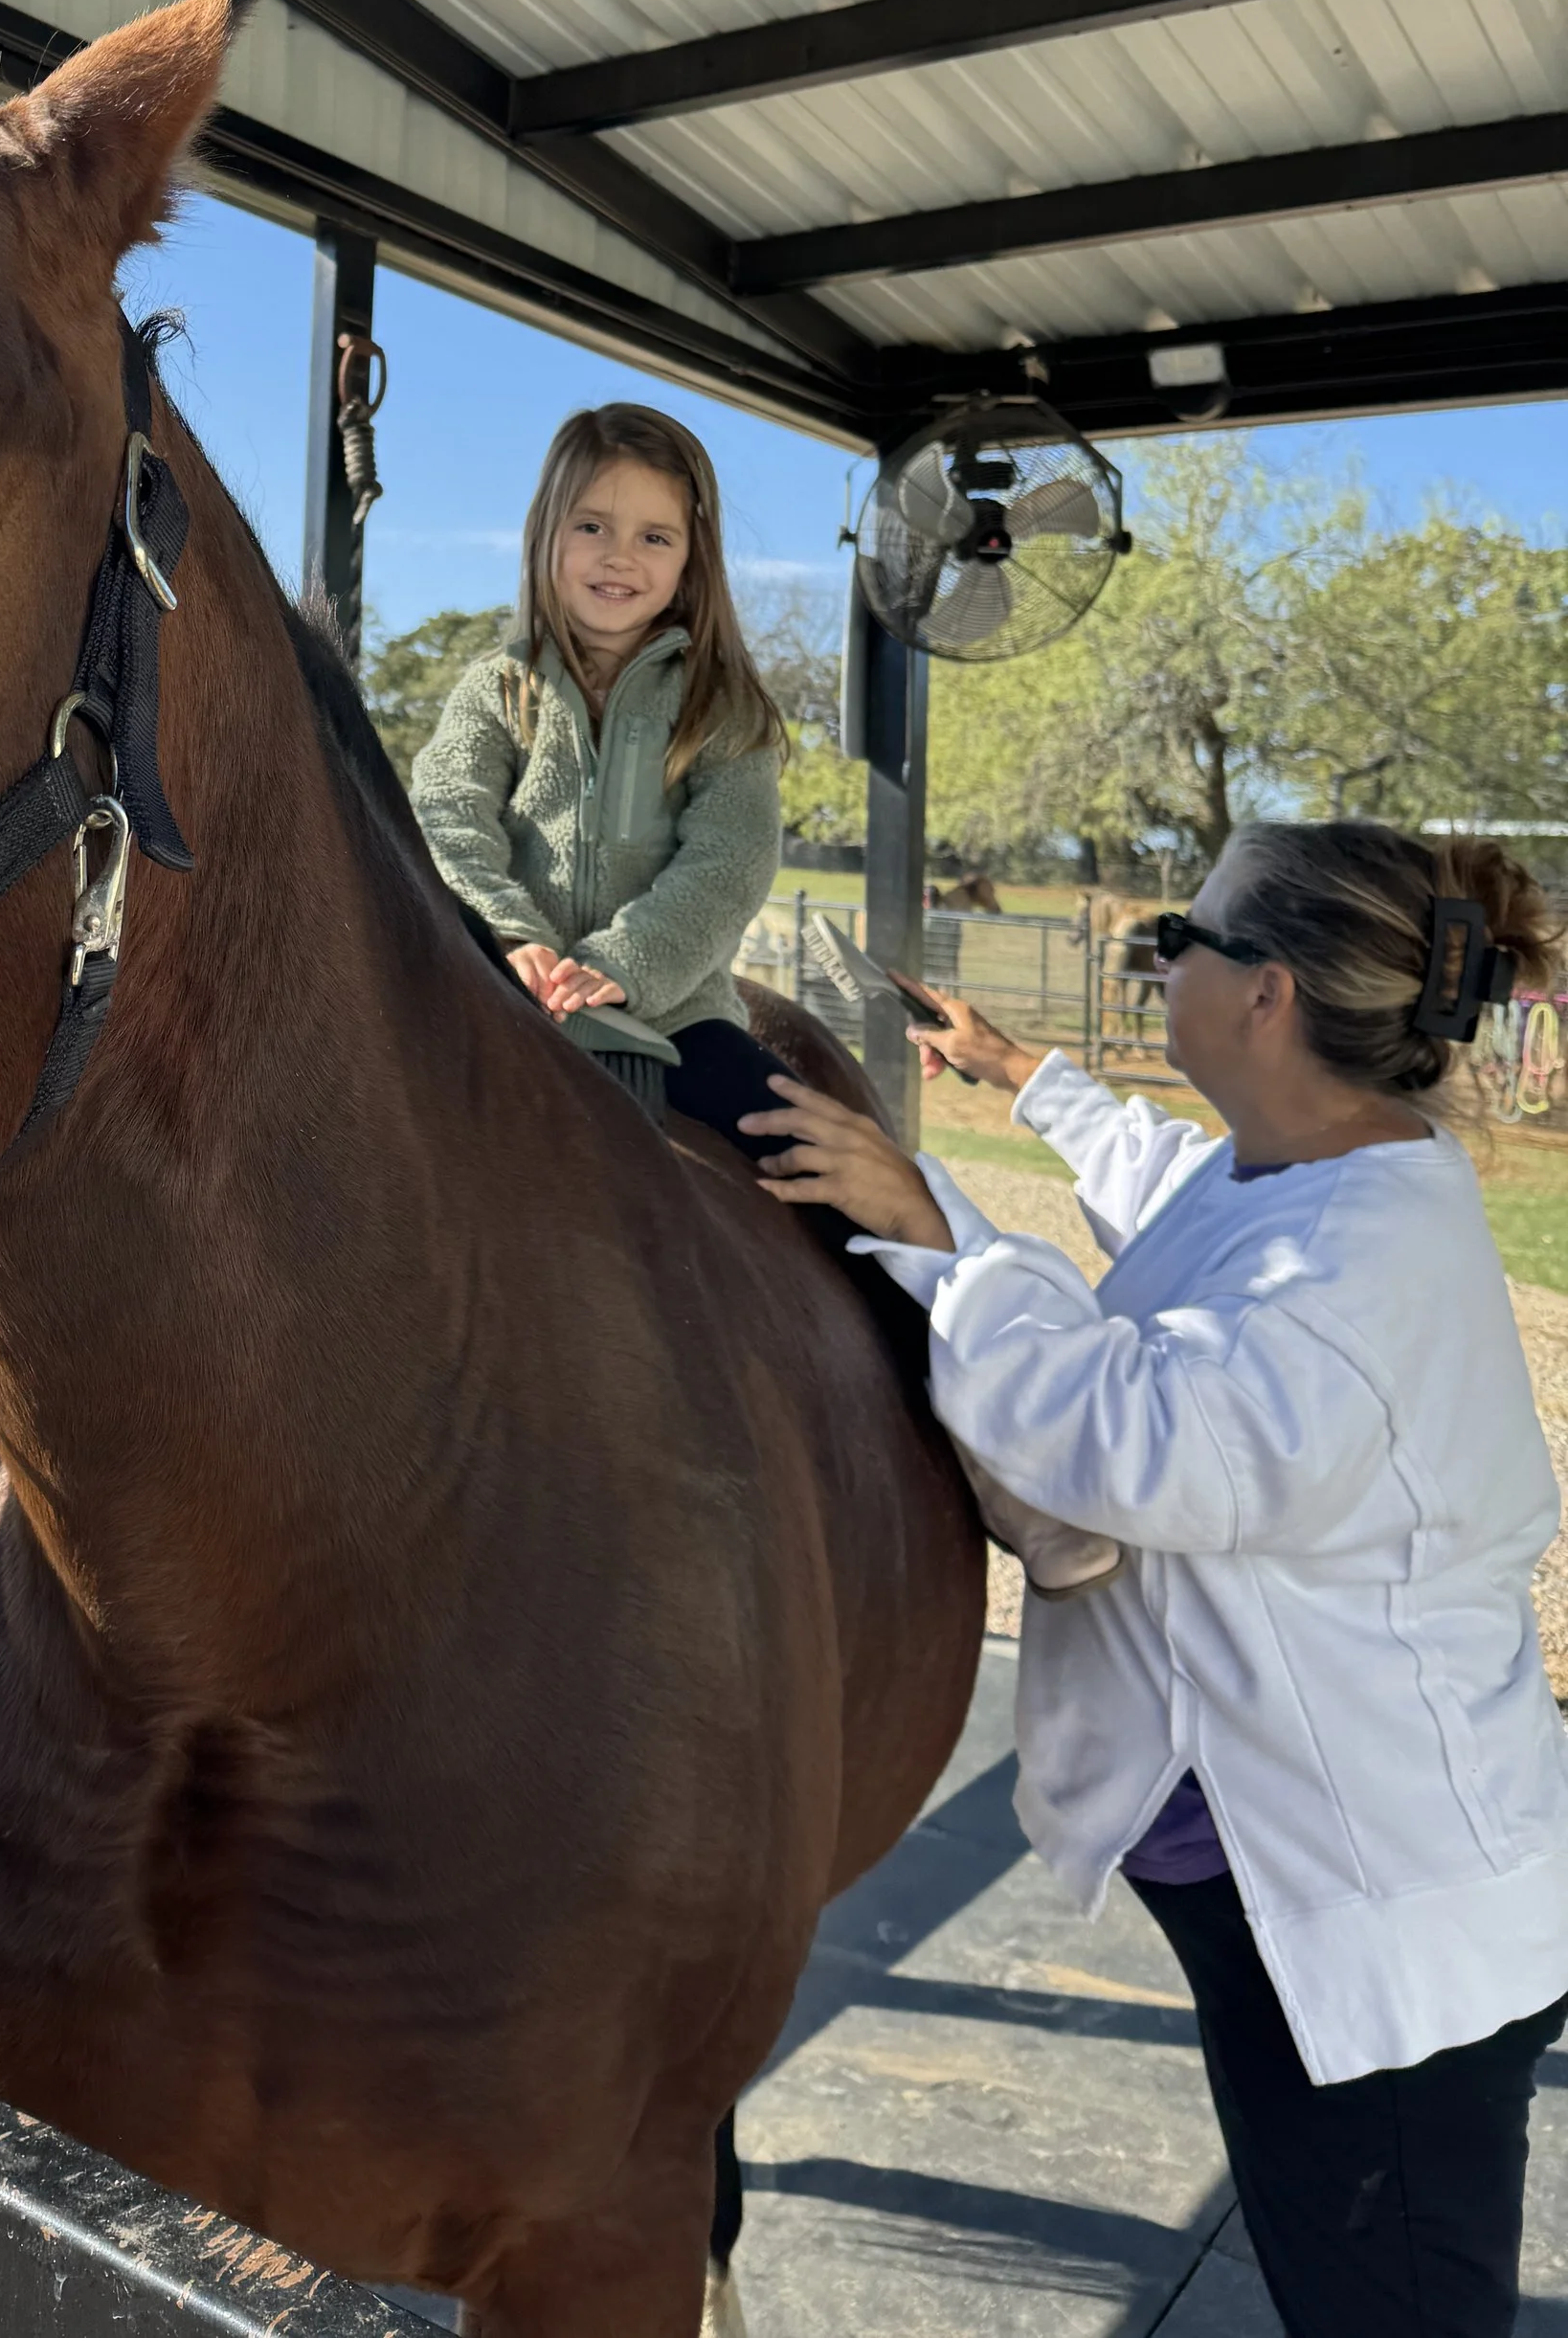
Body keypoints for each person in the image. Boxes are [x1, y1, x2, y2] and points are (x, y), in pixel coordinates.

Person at [742, 822, 1568, 2338]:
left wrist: (938, 1229)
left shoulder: (1348, 1282)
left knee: (1388, 2307)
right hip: (1290, 1876)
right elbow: (1183, 1194)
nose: (1162, 954)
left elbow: (1131, 1439)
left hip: (1375, 1918)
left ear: (1266, 994)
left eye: (1190, 933)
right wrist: (1023, 1077)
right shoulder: (1321, 1167)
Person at [408, 402, 787, 1158]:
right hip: (507, 992)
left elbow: (729, 864)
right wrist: (508, 937)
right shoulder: (499, 689)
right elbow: (446, 816)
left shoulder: (723, 706)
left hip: (675, 1016)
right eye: (592, 527)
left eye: (654, 536)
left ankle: (912, 1274)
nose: (620, 556)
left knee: (799, 1143)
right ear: (547, 534)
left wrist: (619, 966)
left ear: (690, 560)